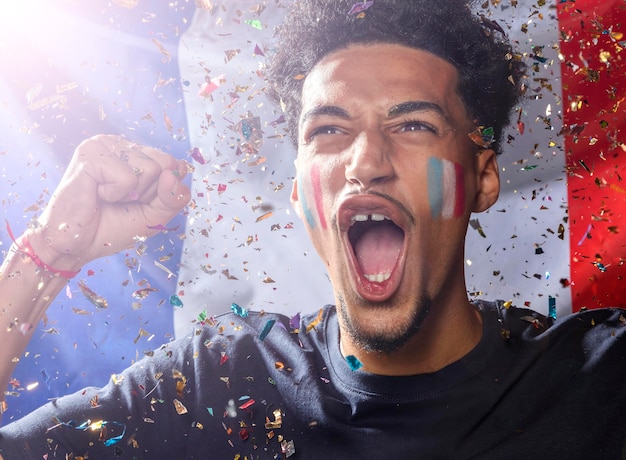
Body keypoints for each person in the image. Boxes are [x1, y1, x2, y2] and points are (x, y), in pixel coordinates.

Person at [0, 0, 625, 458]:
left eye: (412, 125)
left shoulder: (601, 376)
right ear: (301, 192)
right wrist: (47, 253)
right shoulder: (214, 385)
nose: (365, 161)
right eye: (329, 129)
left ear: (482, 179)